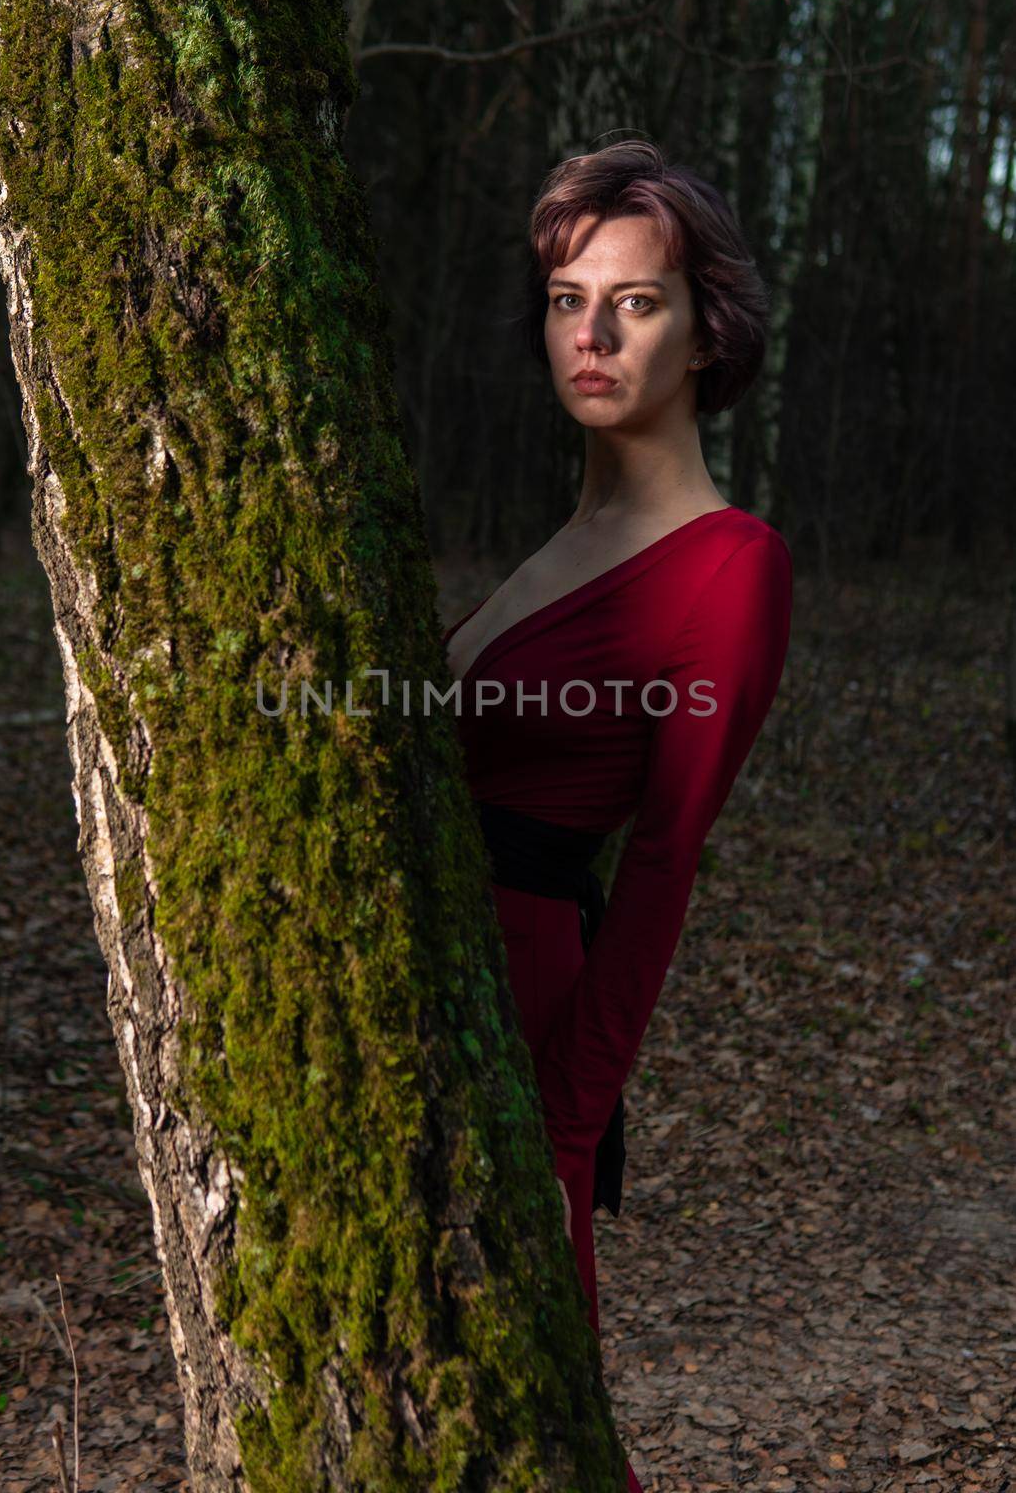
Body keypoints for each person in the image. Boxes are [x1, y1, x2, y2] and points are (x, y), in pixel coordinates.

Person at [442, 139, 793, 1491]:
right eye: (564, 297)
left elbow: (664, 859)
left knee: (535, 1417)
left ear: (707, 332)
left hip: (528, 1011)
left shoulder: (730, 567)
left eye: (634, 302)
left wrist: (574, 1106)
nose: (589, 333)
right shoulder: (562, 539)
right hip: (424, 977)